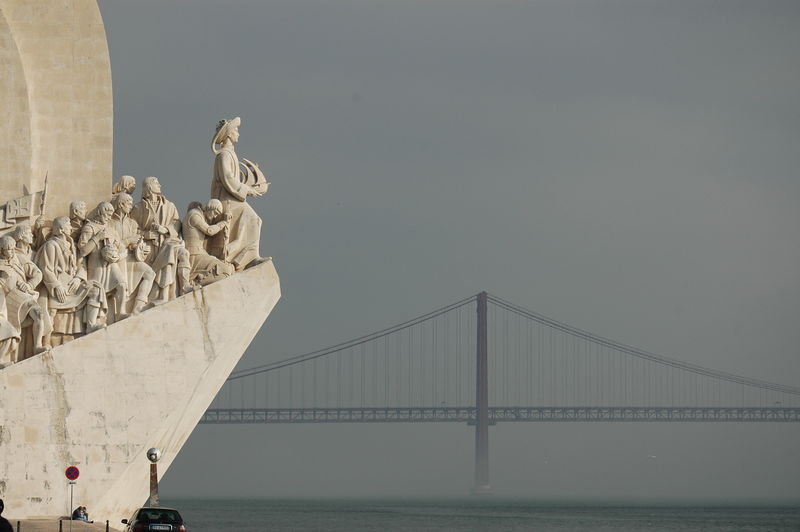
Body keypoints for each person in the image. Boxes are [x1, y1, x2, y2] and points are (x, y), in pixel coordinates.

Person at [210, 117, 268, 271]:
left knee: (255, 220)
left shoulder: (229, 154)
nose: (238, 134)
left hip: (233, 198)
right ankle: (238, 257)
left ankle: (247, 257)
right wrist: (247, 190)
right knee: (254, 219)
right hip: (226, 201)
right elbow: (227, 178)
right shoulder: (223, 155)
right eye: (236, 130)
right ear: (228, 134)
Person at [131, 177, 191, 302]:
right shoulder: (138, 208)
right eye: (156, 183)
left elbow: (177, 223)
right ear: (148, 187)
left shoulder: (169, 205)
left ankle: (183, 286)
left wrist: (166, 229)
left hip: (167, 242)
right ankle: (159, 296)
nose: (159, 185)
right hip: (149, 248)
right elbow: (132, 229)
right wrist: (146, 234)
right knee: (168, 255)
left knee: (180, 253)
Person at [78, 202, 127, 327]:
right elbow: (83, 250)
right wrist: (97, 237)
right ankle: (91, 325)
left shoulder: (111, 230)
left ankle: (121, 312)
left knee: (121, 284)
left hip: (111, 265)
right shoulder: (89, 228)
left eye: (111, 214)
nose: (109, 217)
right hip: (96, 265)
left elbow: (122, 248)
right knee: (96, 292)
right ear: (100, 212)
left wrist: (117, 254)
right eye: (107, 214)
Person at [110, 193, 155, 314]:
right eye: (129, 203)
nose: (131, 206)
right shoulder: (110, 223)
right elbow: (111, 245)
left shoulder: (132, 223)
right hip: (118, 260)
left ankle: (138, 306)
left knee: (150, 273)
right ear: (120, 204)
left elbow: (135, 244)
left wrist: (142, 249)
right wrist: (128, 241)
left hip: (130, 259)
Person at [182, 199, 233, 286]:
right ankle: (194, 283)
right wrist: (224, 222)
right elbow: (209, 230)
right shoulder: (194, 215)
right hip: (194, 254)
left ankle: (198, 279)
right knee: (225, 271)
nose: (214, 217)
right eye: (215, 213)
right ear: (210, 207)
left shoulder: (199, 216)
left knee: (227, 268)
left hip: (200, 252)